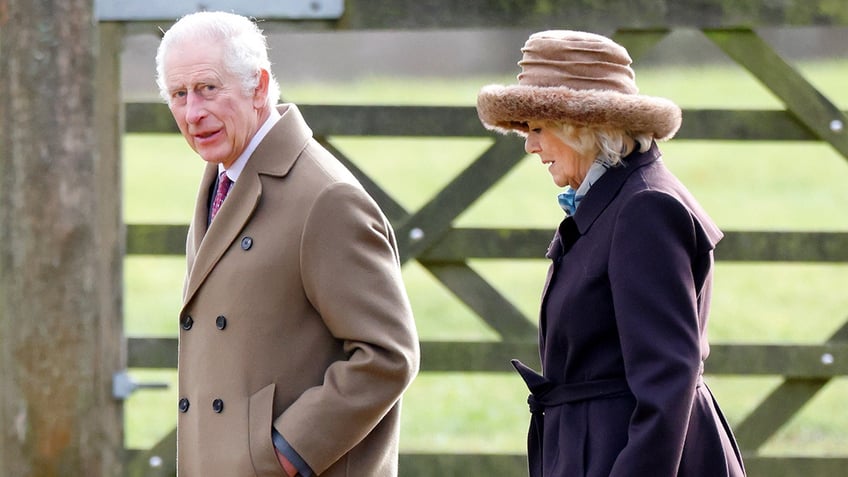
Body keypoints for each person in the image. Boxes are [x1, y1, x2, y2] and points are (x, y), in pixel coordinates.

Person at [155, 11, 420, 477]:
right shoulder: (222, 177)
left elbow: (388, 355)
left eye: (208, 89)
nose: (193, 112)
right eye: (179, 94)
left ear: (259, 86)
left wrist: (286, 452)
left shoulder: (326, 198)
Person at [476, 30, 746, 477]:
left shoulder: (644, 208)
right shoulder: (613, 199)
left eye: (538, 128)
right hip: (597, 448)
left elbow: (667, 379)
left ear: (579, 125)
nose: (530, 145)